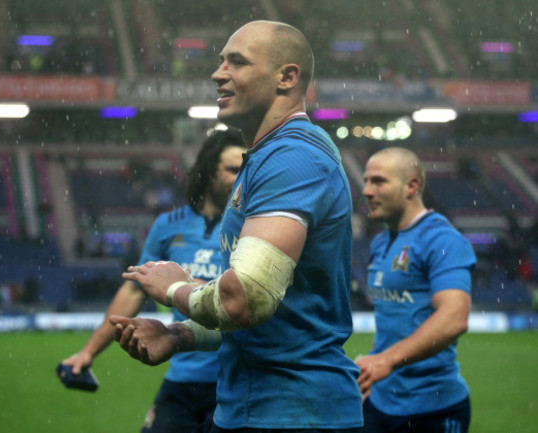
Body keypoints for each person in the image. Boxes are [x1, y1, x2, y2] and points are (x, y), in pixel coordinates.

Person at [111, 20, 363, 432]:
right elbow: (269, 322)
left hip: (292, 413)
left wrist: (176, 288)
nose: (218, 73)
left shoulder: (292, 158)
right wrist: (177, 337)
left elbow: (247, 300)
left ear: (287, 77)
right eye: (220, 61)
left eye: (237, 62)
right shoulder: (265, 157)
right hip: (253, 408)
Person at [61, 128, 246, 433]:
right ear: (210, 173)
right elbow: (133, 292)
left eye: (244, 170)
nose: (240, 177)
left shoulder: (252, 226)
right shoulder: (167, 225)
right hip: (182, 378)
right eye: (232, 170)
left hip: (234, 380)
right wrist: (88, 352)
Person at [357, 147, 477, 433]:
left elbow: (454, 317)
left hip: (432, 409)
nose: (366, 191)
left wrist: (386, 360)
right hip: (379, 401)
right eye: (366, 181)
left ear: (411, 185)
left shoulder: (442, 239)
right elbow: (395, 318)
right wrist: (371, 363)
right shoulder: (379, 242)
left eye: (378, 181)